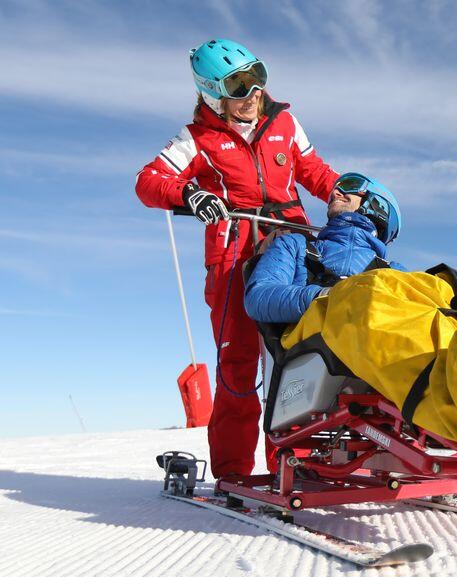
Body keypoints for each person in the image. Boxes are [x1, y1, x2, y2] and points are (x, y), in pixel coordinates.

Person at [135, 39, 341, 478]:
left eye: (258, 78)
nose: (253, 93)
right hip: (234, 255)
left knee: (301, 355)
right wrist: (189, 193)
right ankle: (234, 473)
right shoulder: (196, 138)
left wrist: (347, 195)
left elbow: (314, 172)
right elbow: (149, 182)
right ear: (212, 93)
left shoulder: (284, 122)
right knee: (239, 362)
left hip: (292, 246)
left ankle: (293, 464)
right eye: (239, 85)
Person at [245, 172, 404, 323]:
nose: (335, 192)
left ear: (379, 205)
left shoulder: (392, 271)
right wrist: (325, 297)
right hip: (313, 346)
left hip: (374, 345)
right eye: (335, 188)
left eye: (350, 185)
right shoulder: (294, 246)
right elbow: (259, 297)